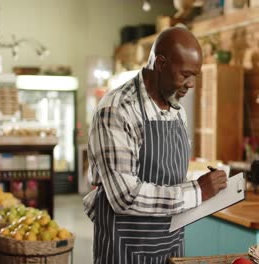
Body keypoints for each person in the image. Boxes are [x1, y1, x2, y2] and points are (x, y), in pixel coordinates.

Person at [83, 27, 228, 264]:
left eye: (195, 76)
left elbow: (169, 176)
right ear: (160, 63)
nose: (191, 84)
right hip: (125, 248)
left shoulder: (176, 109)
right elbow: (124, 196)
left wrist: (205, 183)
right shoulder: (117, 110)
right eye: (185, 75)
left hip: (171, 243)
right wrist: (197, 191)